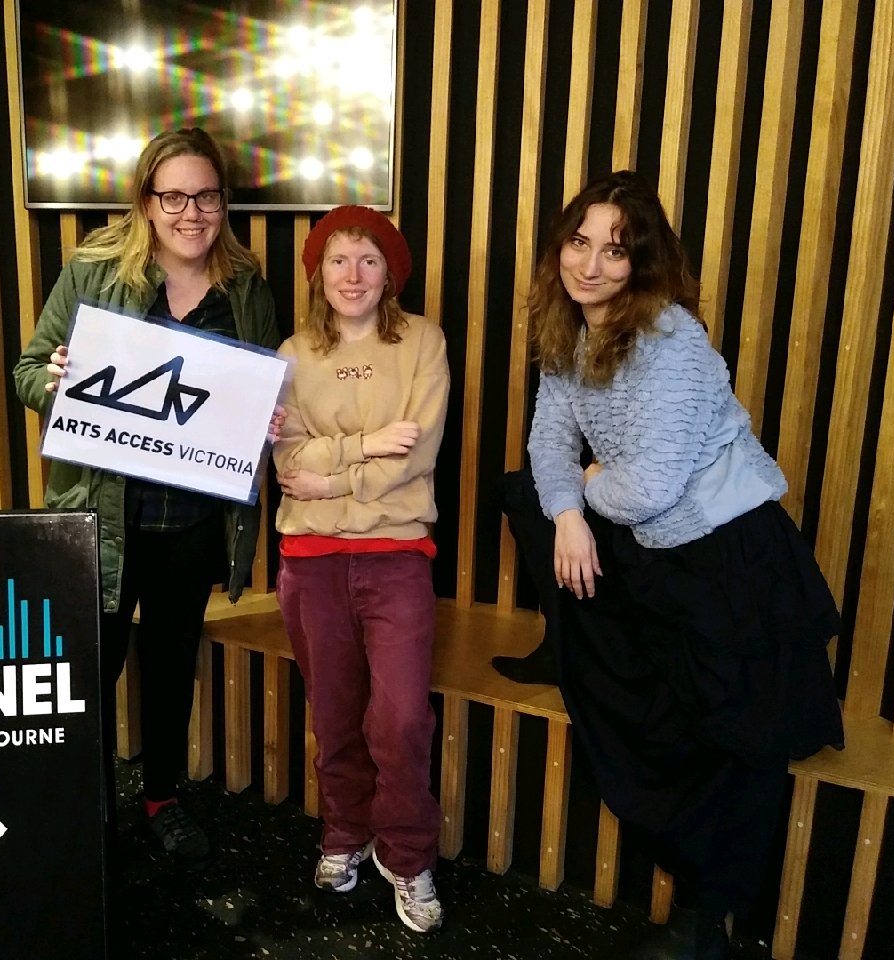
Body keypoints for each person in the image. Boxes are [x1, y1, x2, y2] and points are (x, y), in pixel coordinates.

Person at [506, 170, 843, 959]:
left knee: (732, 737)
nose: (590, 265)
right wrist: (564, 511)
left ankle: (709, 923)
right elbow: (548, 440)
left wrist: (586, 491)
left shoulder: (670, 340)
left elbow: (651, 489)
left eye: (615, 252)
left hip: (732, 556)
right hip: (664, 550)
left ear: (644, 264)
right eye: (579, 243)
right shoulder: (567, 327)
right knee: (525, 495)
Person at [13, 127, 281, 867]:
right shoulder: (95, 271)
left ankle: (161, 797)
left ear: (224, 201)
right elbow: (28, 371)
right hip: (104, 523)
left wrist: (272, 418)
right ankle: (87, 811)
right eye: (174, 196)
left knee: (169, 674)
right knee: (91, 677)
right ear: (146, 200)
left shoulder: (247, 288)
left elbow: (261, 396)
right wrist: (56, 381)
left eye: (206, 195)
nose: (191, 212)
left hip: (194, 526)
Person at [273, 205, 450, 934]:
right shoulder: (290, 354)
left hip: (396, 554)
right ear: (318, 272)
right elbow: (288, 465)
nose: (353, 275)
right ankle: (344, 833)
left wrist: (332, 470)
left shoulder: (422, 343)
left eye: (368, 260)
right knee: (334, 713)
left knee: (404, 717)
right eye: (338, 260)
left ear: (391, 273)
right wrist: (366, 446)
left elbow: (420, 455)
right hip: (310, 561)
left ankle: (407, 855)